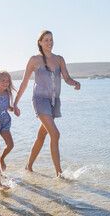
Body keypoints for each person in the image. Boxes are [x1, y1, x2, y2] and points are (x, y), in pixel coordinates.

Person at [13, 30, 81, 177]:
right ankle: (59, 174)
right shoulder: (34, 60)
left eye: (51, 39)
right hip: (39, 100)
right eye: (46, 40)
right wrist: (16, 103)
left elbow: (67, 78)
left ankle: (28, 166)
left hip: (54, 101)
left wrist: (75, 83)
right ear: (40, 42)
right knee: (55, 134)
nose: (49, 42)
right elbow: (24, 83)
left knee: (42, 135)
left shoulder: (59, 59)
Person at [0, 71, 17, 172]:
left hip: (5, 120)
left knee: (10, 145)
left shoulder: (7, 93)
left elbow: (7, 107)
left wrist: (14, 109)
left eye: (7, 81)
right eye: (3, 80)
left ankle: (2, 158)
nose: (5, 83)